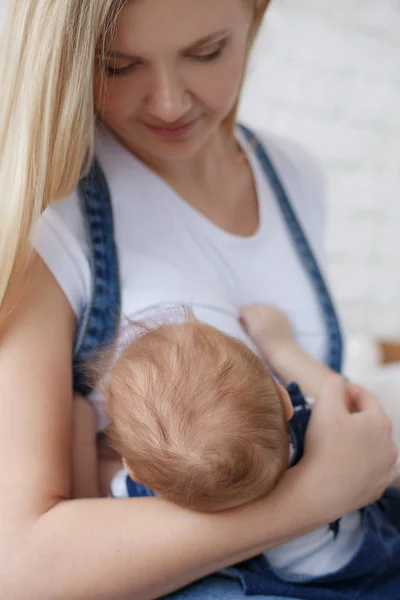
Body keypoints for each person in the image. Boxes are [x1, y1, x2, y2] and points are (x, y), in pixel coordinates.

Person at [0, 1, 397, 599]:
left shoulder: (292, 175)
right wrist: (317, 494)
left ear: (255, 17)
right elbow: (22, 566)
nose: (168, 103)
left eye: (207, 52)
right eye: (118, 65)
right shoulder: (46, 216)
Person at [72, 304, 400, 600]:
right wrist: (281, 346)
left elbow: (87, 505)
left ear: (134, 470)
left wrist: (80, 431)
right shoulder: (304, 433)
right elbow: (339, 396)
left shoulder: (140, 496)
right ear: (283, 400)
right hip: (377, 558)